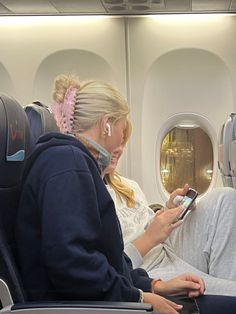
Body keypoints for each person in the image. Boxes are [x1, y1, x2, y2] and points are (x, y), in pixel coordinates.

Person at [15, 74, 207, 314]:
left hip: (104, 300)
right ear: (107, 124)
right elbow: (72, 263)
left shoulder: (71, 161)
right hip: (91, 307)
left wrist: (152, 287)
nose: (121, 142)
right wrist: (137, 299)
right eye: (121, 128)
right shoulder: (67, 164)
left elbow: (106, 257)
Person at [102, 121, 236, 297]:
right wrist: (150, 237)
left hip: (165, 247)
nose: (119, 149)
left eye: (123, 143)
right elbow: (110, 267)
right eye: (114, 142)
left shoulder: (128, 186)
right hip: (145, 268)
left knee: (224, 198)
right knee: (231, 293)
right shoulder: (91, 194)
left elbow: (145, 223)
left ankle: (223, 285)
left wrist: (169, 209)